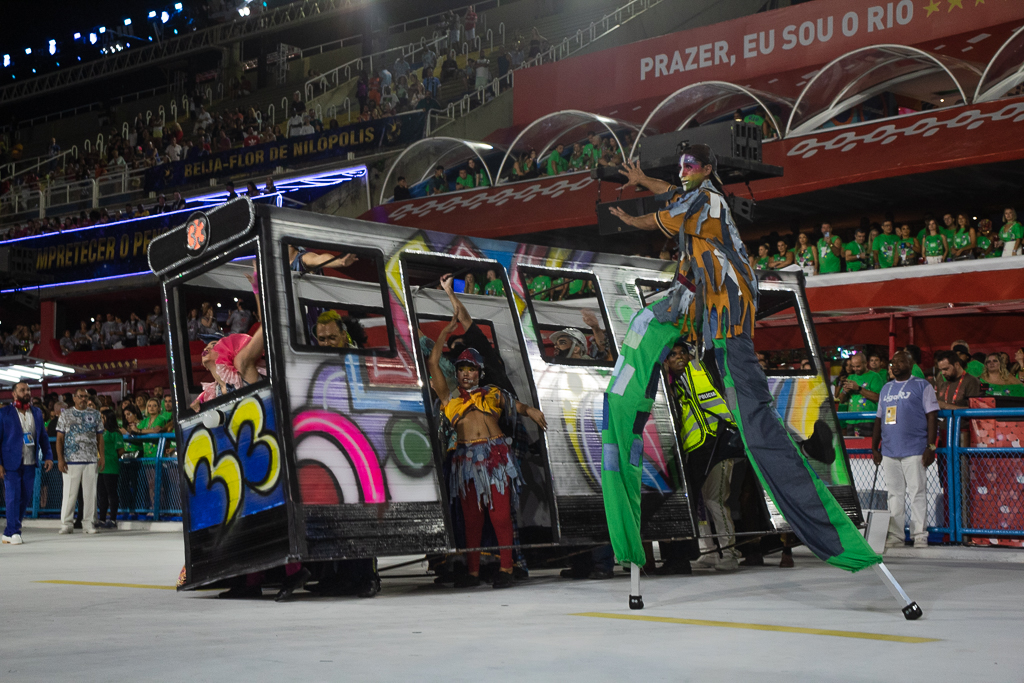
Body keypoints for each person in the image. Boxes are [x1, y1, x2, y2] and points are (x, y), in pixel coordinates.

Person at [605, 145, 880, 575]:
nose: (682, 172)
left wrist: (628, 220)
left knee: (752, 417)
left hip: (726, 311)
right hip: (705, 319)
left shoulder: (709, 200)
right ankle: (796, 445)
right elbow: (671, 196)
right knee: (720, 386)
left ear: (708, 170)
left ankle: (805, 466)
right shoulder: (695, 198)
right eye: (679, 166)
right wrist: (644, 182)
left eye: (690, 166)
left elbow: (662, 218)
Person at [428, 321, 547, 589]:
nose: (466, 374)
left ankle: (506, 567)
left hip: (495, 457)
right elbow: (434, 363)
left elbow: (518, 406)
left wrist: (531, 411)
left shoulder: (493, 394)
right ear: (456, 374)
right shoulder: (449, 399)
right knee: (472, 519)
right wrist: (445, 332)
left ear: (479, 373)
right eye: (461, 370)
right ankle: (472, 572)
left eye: (471, 369)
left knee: (500, 515)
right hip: (466, 460)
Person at [661, 340, 741, 573]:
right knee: (699, 504)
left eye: (682, 353)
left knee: (715, 500)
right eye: (673, 354)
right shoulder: (670, 384)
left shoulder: (700, 368)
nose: (679, 357)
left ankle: (730, 553)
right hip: (695, 448)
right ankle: (708, 550)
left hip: (719, 442)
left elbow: (703, 346)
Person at [872, 350, 938, 550]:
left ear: (911, 364)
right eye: (892, 362)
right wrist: (875, 447)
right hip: (890, 450)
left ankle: (920, 536)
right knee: (894, 495)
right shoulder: (886, 388)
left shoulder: (922, 385)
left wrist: (931, 446)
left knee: (917, 492)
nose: (895, 365)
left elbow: (932, 416)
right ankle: (896, 536)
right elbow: (878, 419)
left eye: (900, 361)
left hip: (915, 449)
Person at [1, 382, 55, 544]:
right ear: (14, 394)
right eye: (22, 390)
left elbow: (43, 437)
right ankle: (13, 530)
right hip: (10, 462)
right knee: (12, 497)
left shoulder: (37, 412)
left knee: (25, 497)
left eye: (28, 389)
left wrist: (48, 456)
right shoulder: (4, 413)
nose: (26, 392)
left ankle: (9, 532)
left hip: (30, 461)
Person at [55, 389, 105, 534]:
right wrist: (60, 459)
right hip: (71, 460)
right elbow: (59, 438)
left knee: (91, 494)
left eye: (85, 397)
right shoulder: (65, 414)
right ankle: (66, 523)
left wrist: (102, 456)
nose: (83, 399)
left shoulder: (95, 414)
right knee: (70, 493)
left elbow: (100, 437)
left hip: (90, 459)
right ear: (74, 398)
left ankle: (89, 523)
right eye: (80, 397)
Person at [838, 353, 883, 436]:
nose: (855, 369)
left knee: (867, 447)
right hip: (851, 420)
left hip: (868, 420)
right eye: (853, 366)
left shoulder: (875, 377)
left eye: (858, 366)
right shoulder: (850, 377)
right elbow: (841, 400)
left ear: (865, 363)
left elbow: (878, 398)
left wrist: (858, 389)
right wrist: (845, 391)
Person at [97, 410, 125, 529]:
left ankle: (113, 519)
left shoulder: (115, 433)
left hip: (111, 467)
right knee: (102, 494)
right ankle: (102, 519)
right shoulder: (100, 433)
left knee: (111, 493)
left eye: (102, 418)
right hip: (100, 468)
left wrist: (111, 457)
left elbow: (120, 450)